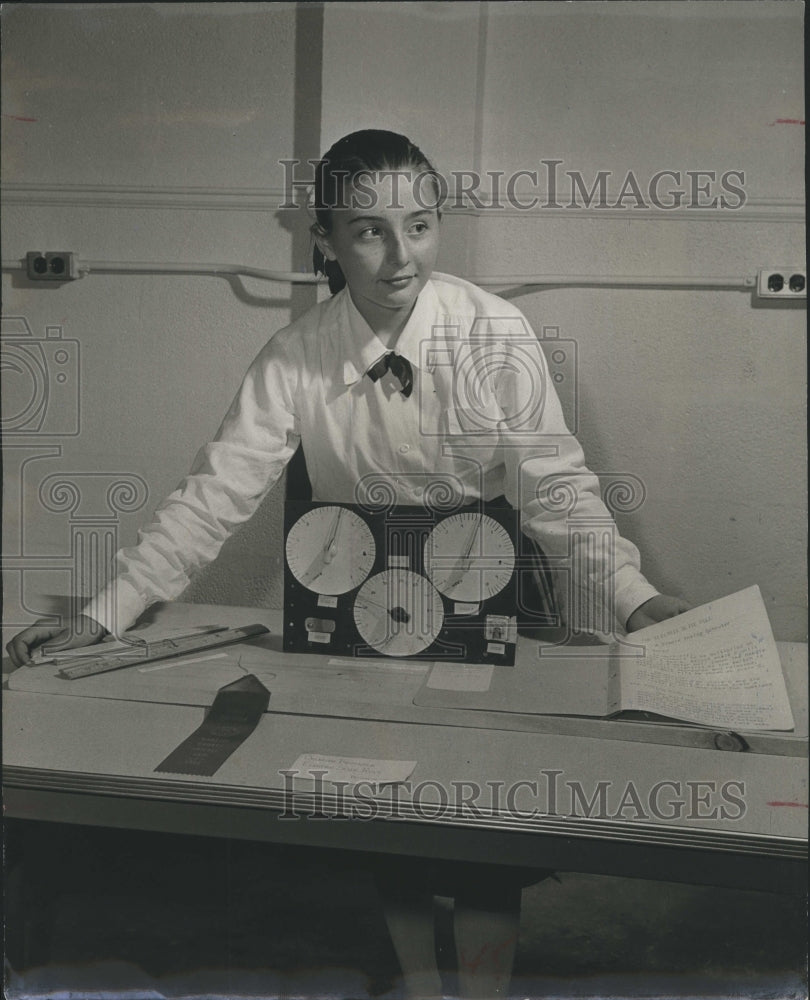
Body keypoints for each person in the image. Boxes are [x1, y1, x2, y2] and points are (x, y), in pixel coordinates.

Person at [7, 129, 690, 998]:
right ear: (324, 239)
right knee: (382, 799)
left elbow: (555, 487)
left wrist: (633, 599)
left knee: (481, 811)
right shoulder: (295, 355)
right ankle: (416, 982)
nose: (400, 256)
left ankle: (480, 993)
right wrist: (106, 610)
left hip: (487, 579)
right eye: (369, 230)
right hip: (357, 592)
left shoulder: (495, 330)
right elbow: (215, 494)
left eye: (420, 224)